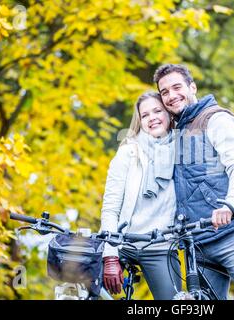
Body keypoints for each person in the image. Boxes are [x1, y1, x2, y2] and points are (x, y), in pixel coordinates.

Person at [153, 64, 234, 300]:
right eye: (164, 92)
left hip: (232, 235)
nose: (171, 95)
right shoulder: (175, 133)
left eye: (177, 87)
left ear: (192, 87)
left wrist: (230, 205)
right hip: (196, 244)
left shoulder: (216, 119)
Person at [99, 91, 181, 300]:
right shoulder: (128, 152)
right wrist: (110, 257)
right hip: (122, 243)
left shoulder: (184, 151)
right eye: (145, 115)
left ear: (169, 114)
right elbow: (111, 208)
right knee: (83, 284)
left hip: (161, 246)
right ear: (140, 121)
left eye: (157, 111)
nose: (152, 117)